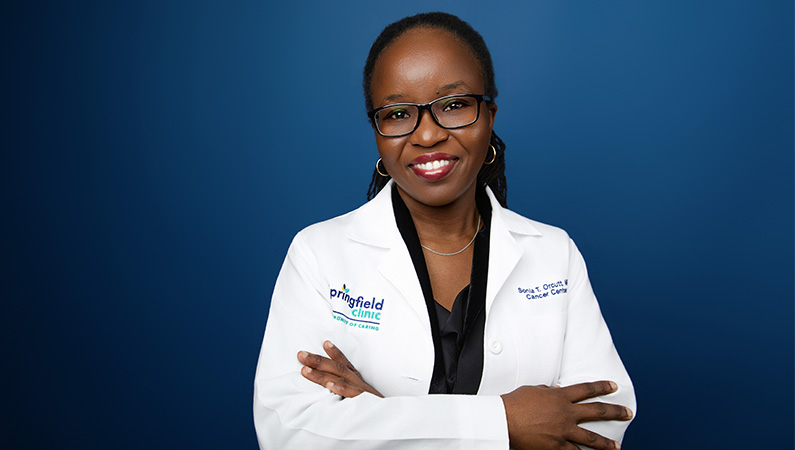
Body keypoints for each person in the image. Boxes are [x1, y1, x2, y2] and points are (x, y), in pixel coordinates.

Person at [254, 12, 635, 450]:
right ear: (377, 132)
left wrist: (381, 416)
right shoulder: (319, 254)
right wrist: (505, 422)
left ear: (489, 115)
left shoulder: (553, 253)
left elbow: (601, 427)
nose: (428, 135)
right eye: (398, 114)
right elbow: (291, 432)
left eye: (453, 105)